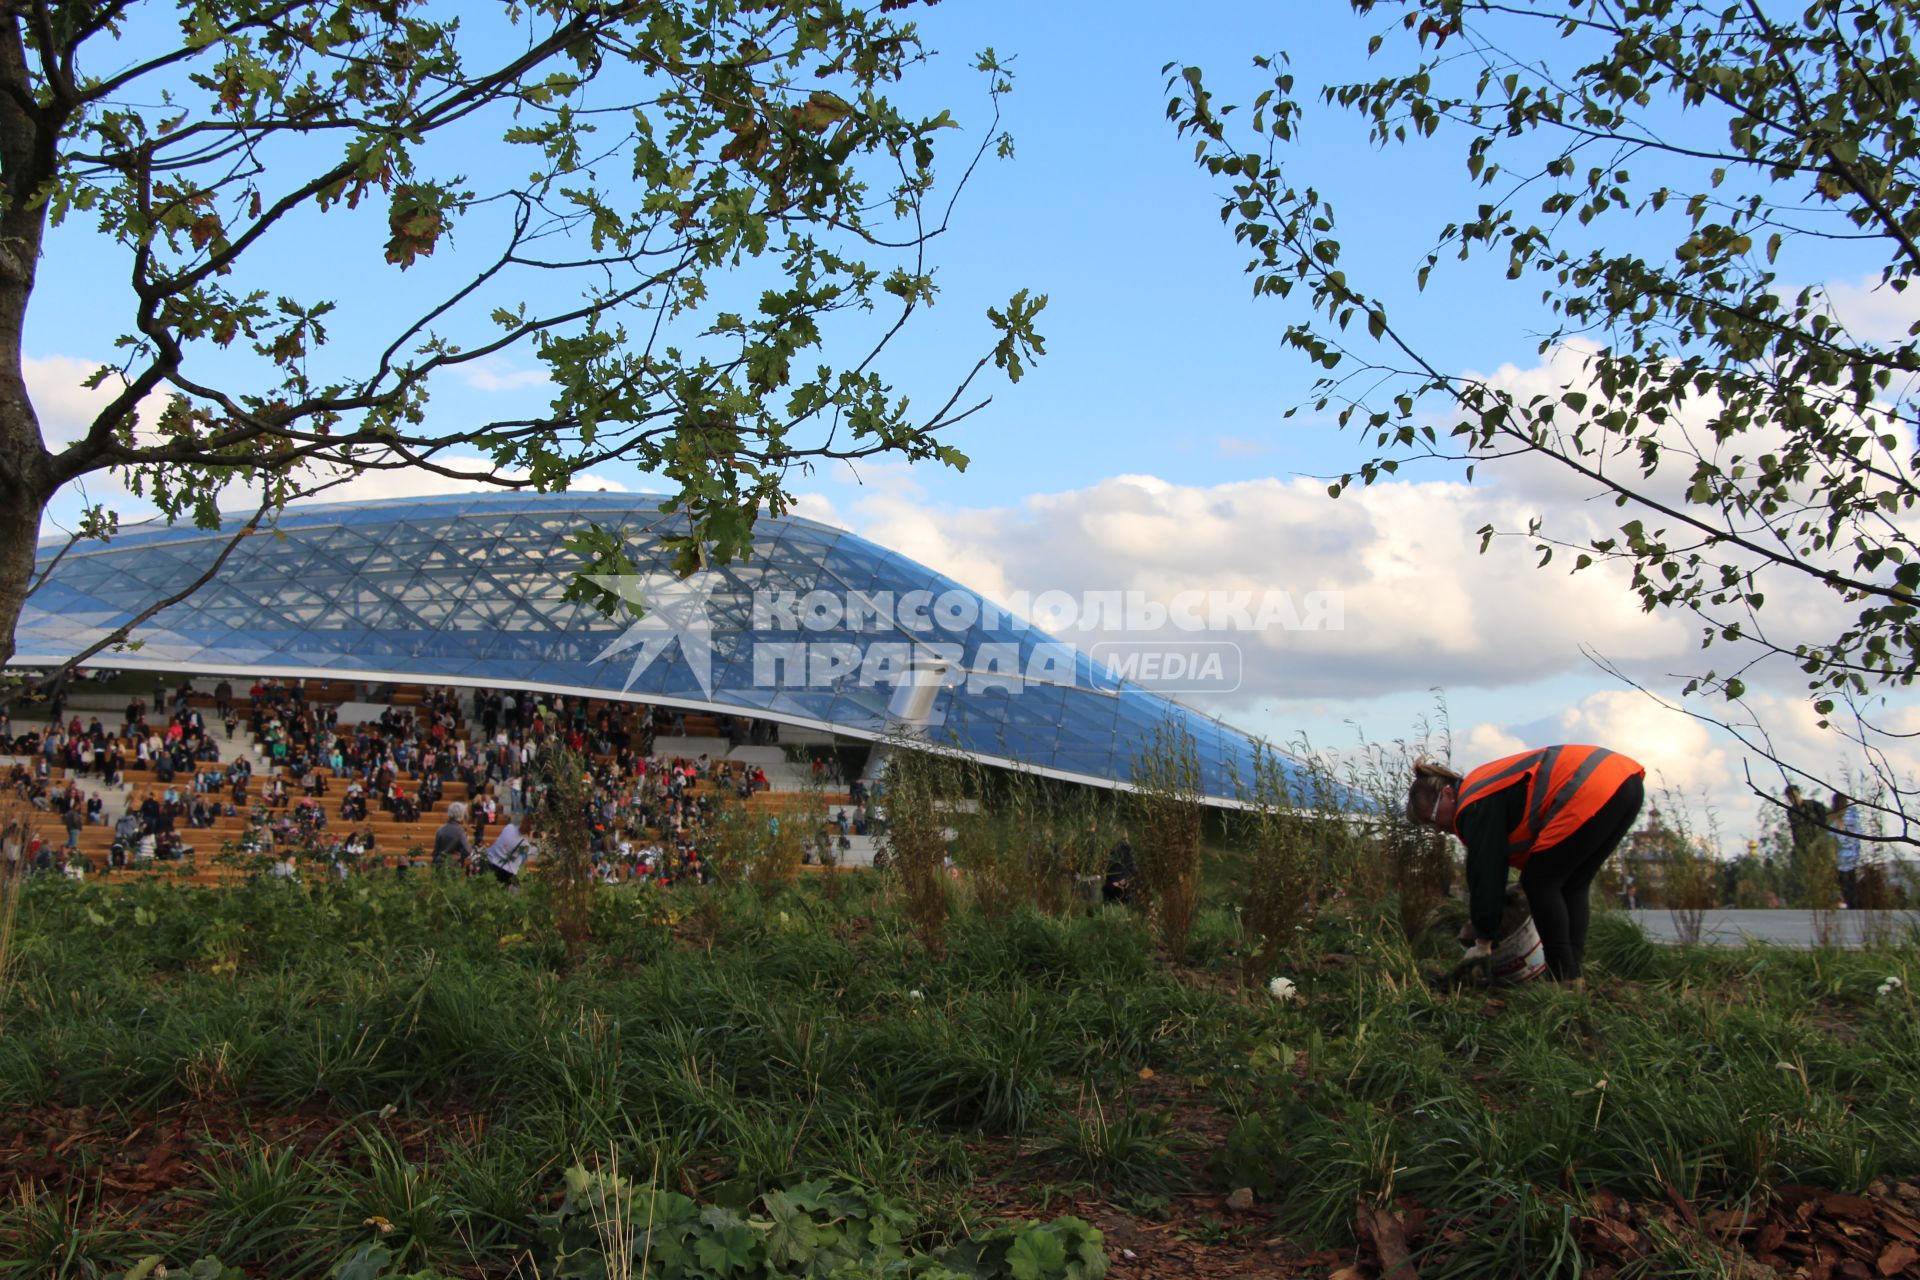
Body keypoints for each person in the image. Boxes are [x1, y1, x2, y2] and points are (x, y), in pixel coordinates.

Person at [1407, 745, 1645, 985]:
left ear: (1448, 794)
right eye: (1430, 826)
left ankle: (1563, 977)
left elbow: (1486, 872)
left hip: (1592, 786)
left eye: (1433, 817)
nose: (1438, 829)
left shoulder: (1472, 804)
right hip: (1625, 782)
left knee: (1540, 883)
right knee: (1572, 884)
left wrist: (1482, 940)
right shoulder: (1483, 788)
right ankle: (1572, 974)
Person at [1833, 793, 1864, 909]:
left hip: (1849, 857)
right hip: (1840, 857)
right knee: (1844, 883)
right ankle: (1848, 903)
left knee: (1850, 883)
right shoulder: (1836, 817)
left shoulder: (1851, 817)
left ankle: (1852, 904)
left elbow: (1852, 837)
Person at [433, 800, 474, 872]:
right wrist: (459, 857)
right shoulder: (460, 831)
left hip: (438, 865)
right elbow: (467, 851)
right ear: (461, 814)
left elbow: (435, 851)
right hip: (452, 866)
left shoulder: (440, 829)